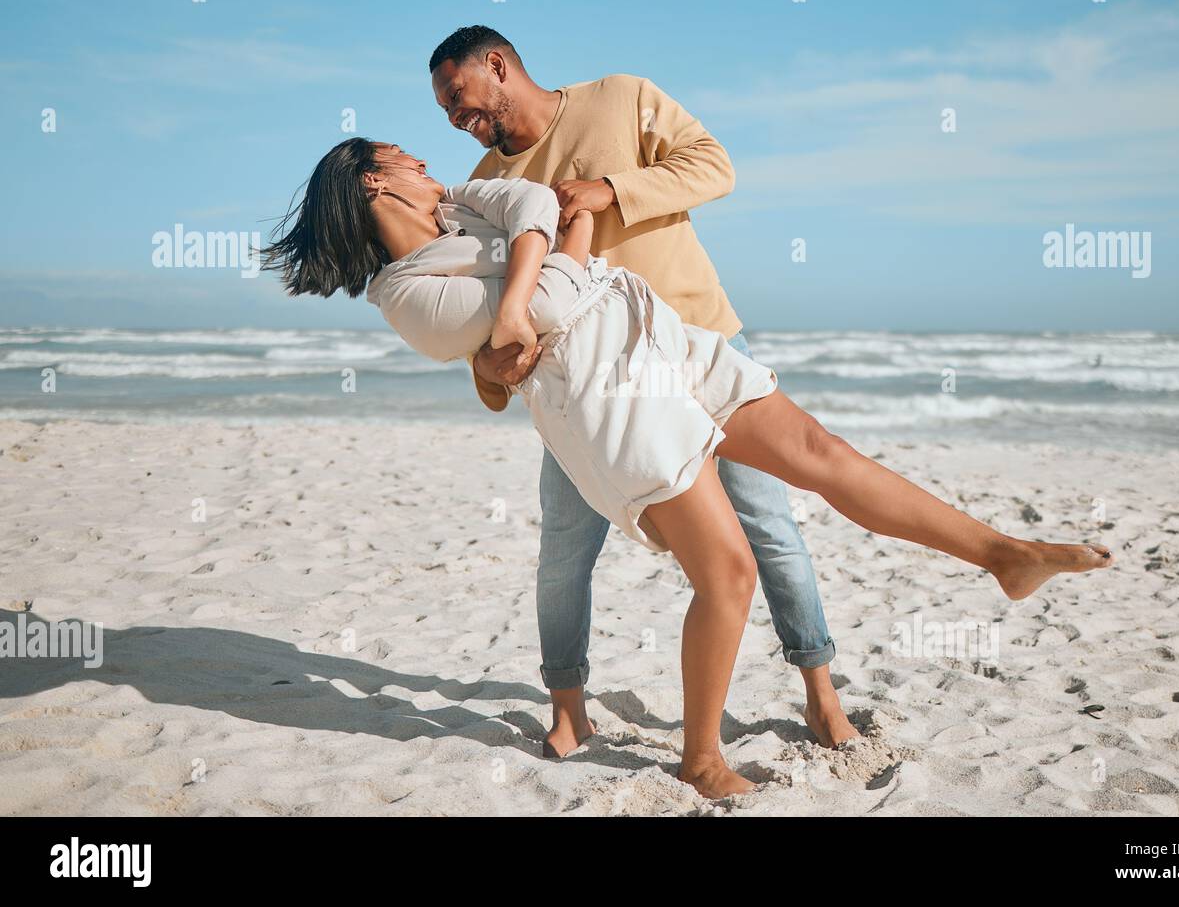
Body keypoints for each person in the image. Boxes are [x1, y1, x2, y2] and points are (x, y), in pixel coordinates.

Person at [262, 137, 1115, 799]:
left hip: (658, 332)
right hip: (606, 396)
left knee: (824, 455)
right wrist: (557, 257)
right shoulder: (408, 292)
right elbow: (552, 287)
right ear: (375, 180)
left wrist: (528, 281)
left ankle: (1001, 553)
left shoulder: (461, 214)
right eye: (404, 156)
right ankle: (701, 759)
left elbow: (528, 206)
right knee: (728, 570)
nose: (427, 159)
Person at [429, 25, 856, 757]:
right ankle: (569, 709)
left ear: (497, 65)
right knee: (565, 550)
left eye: (460, 99)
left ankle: (821, 694)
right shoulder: (487, 191)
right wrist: (487, 373)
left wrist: (611, 191)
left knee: (771, 529)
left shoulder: (621, 98)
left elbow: (714, 166)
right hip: (592, 391)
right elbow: (493, 314)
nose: (455, 119)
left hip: (704, 346)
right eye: (446, 111)